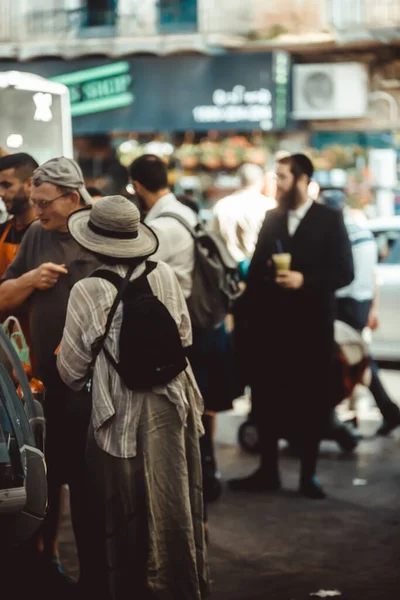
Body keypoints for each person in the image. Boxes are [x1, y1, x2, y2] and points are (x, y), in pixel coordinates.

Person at [56, 196, 209, 600]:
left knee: (125, 515)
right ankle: (180, 585)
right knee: (173, 500)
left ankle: (132, 589)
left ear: (92, 243)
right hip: (173, 407)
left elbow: (71, 373)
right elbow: (185, 337)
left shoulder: (87, 290)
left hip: (122, 416)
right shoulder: (165, 277)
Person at [229, 154, 354, 499]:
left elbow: (345, 272)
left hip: (312, 330)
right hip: (271, 330)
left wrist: (305, 279)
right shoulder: (272, 218)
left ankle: (308, 476)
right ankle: (267, 470)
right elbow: (254, 273)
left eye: (283, 178)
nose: (277, 184)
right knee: (267, 398)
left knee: (311, 401)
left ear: (301, 180)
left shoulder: (330, 219)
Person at [0, 156, 98, 594]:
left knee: (92, 485)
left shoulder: (102, 235)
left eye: (44, 203)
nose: (35, 212)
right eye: (34, 202)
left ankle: (100, 573)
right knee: (47, 475)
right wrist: (30, 281)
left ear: (72, 197)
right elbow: (3, 296)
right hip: (42, 385)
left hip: (96, 389)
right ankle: (46, 564)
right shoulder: (37, 236)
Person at [129, 154, 233, 520]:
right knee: (205, 400)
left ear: (137, 187)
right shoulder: (187, 212)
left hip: (184, 325)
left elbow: (135, 272)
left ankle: (199, 476)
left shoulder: (159, 227)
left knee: (189, 404)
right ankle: (209, 469)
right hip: (206, 322)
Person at [321, 188, 400, 437]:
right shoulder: (363, 230)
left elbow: (341, 275)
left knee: (348, 358)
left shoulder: (339, 232)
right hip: (362, 301)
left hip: (346, 302)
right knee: (357, 356)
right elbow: (373, 273)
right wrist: (372, 306)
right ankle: (379, 410)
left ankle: (380, 410)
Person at [212, 163, 276, 277]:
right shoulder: (269, 206)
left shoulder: (221, 206)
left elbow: (212, 240)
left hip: (227, 273)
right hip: (260, 273)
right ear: (260, 182)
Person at [0, 153, 38, 277]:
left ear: (29, 184)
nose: (1, 193)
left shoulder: (49, 233)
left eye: (6, 185)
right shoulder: (2, 231)